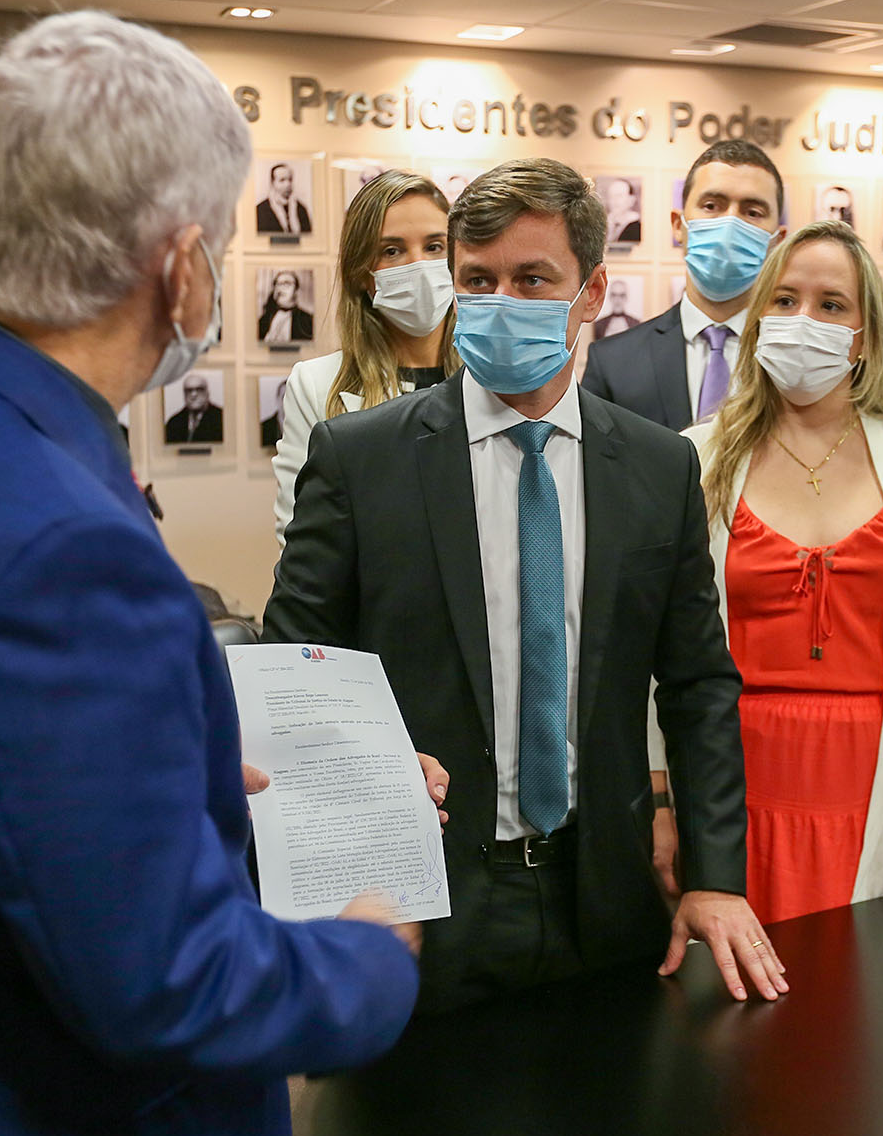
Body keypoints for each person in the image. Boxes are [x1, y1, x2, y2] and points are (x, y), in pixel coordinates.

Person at [0, 12, 420, 1136]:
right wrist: (370, 955)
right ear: (181, 264)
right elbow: (169, 983)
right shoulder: (64, 545)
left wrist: (166, 764)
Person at [264, 157, 785, 1013]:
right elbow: (294, 671)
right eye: (477, 280)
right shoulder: (361, 458)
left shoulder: (657, 468)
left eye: (531, 279)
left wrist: (715, 874)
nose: (499, 301)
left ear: (591, 292)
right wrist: (354, 834)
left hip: (606, 894)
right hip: (418, 901)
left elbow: (697, 684)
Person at [681, 220, 883, 923]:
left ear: (863, 337)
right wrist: (661, 802)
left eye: (831, 305)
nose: (804, 319)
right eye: (785, 299)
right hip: (730, 787)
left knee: (874, 978)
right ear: (757, 318)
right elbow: (656, 655)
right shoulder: (696, 458)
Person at [271, 169, 458, 542]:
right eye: (392, 251)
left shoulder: (491, 378)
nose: (418, 265)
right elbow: (304, 540)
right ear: (361, 273)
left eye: (435, 247)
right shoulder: (317, 384)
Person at [583, 139, 784, 430]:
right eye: (711, 206)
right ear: (678, 225)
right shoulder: (613, 362)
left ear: (777, 240)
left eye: (753, 212)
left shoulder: (799, 360)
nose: (730, 224)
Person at [164, 371, 224, 443]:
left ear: (207, 393)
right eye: (189, 390)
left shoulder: (221, 418)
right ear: (184, 395)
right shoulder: (174, 423)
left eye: (199, 389)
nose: (193, 395)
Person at [258, 268, 313, 344]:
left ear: (296, 290)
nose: (280, 288)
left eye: (287, 283)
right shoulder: (264, 319)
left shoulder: (307, 320)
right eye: (277, 284)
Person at [256, 160, 312, 233]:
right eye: (282, 180)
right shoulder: (260, 210)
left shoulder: (301, 209)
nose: (288, 184)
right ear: (272, 183)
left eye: (290, 180)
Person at [604, 175, 642, 243]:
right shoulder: (604, 224)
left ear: (631, 200)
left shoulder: (638, 227)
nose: (614, 200)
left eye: (619, 196)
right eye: (610, 196)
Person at [260, 377, 285, 447]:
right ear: (277, 400)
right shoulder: (263, 428)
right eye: (283, 397)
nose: (286, 402)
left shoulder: (303, 427)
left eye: (290, 398)